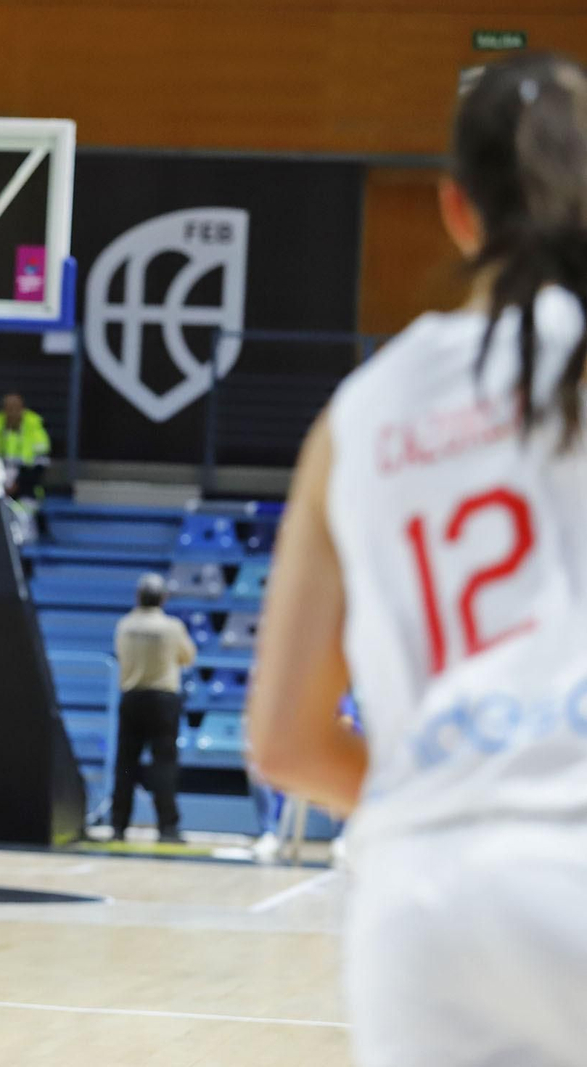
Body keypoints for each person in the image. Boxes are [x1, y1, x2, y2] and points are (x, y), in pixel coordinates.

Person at [246, 54, 587, 1067]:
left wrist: (449, 787)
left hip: (415, 902)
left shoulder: (356, 415)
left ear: (453, 209)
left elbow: (283, 740)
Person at [110, 573, 196, 844]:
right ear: (163, 597)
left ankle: (118, 826)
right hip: (163, 701)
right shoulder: (172, 627)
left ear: (138, 596)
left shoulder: (125, 625)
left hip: (132, 697)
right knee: (164, 766)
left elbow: (119, 654)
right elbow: (187, 657)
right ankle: (167, 828)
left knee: (125, 765)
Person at [0, 392, 51, 500]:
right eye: (8, 408)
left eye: (15, 408)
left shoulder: (34, 426)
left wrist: (18, 484)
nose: (12, 412)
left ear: (23, 408)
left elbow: (40, 464)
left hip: (26, 487)